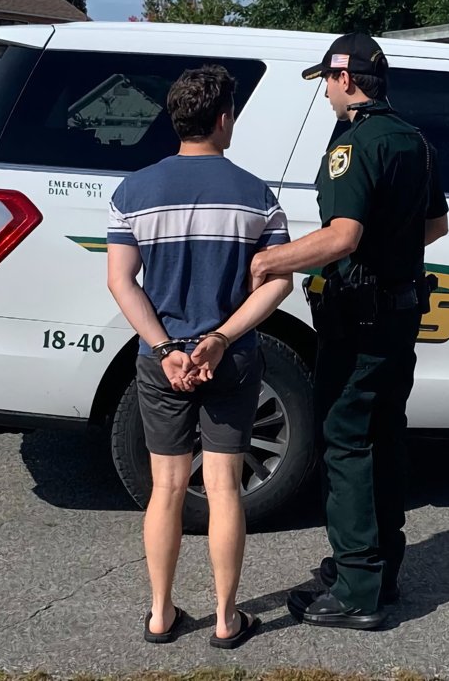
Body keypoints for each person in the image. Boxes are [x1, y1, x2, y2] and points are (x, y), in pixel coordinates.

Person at [249, 32, 449, 629]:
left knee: (346, 443)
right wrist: (388, 255)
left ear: (346, 79)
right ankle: (380, 569)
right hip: (399, 314)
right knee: (383, 436)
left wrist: (267, 262)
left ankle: (357, 588)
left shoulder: (355, 143)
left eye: (329, 84)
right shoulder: (414, 140)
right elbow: (436, 226)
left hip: (358, 321)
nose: (328, 96)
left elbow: (341, 236)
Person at [105, 65, 293, 648]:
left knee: (165, 489)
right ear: (222, 118)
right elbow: (277, 284)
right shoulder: (258, 195)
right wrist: (220, 339)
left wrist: (165, 348)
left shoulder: (132, 192)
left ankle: (161, 613)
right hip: (230, 360)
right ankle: (226, 618)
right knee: (224, 487)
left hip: (162, 363)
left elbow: (121, 282)